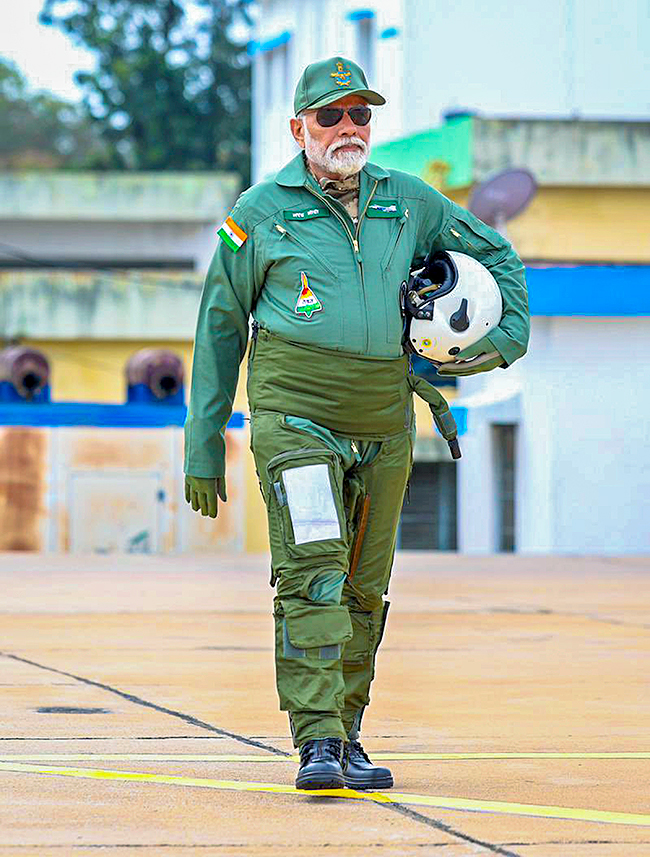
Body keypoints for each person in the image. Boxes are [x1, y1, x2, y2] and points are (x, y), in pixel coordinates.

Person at [184, 56, 530, 791]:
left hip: (383, 418)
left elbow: (495, 252)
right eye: (331, 115)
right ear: (298, 127)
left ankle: (348, 734)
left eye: (360, 115)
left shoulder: (409, 202)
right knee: (315, 571)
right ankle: (316, 739)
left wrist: (506, 338)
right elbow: (219, 324)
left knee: (364, 588)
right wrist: (203, 438)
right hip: (295, 414)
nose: (348, 128)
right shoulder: (257, 212)